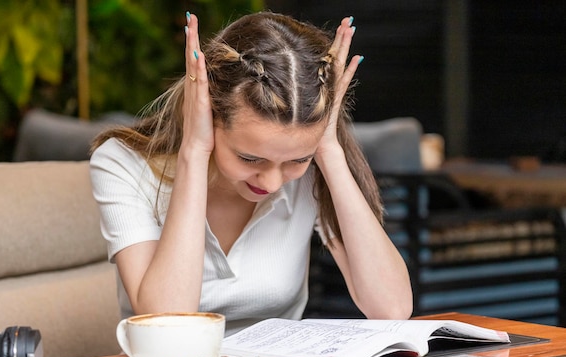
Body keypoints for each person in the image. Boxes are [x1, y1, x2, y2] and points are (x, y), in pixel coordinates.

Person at [89, 11, 412, 336]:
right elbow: (167, 326)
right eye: (250, 159)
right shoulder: (122, 164)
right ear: (210, 114)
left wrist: (327, 147)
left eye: (296, 160)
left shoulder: (313, 168)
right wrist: (194, 152)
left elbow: (392, 309)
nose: (272, 182)